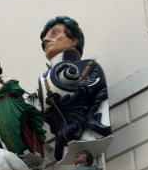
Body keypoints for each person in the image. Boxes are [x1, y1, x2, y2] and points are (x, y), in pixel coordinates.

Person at [37, 16, 111, 162]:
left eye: (55, 33)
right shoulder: (43, 79)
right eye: (44, 38)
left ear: (74, 40)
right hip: (65, 137)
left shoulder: (88, 67)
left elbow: (93, 88)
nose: (46, 40)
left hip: (88, 131)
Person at [0, 58, 45, 156]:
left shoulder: (6, 79)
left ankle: (32, 151)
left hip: (13, 108)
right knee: (7, 136)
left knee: (21, 130)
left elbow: (17, 90)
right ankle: (19, 155)